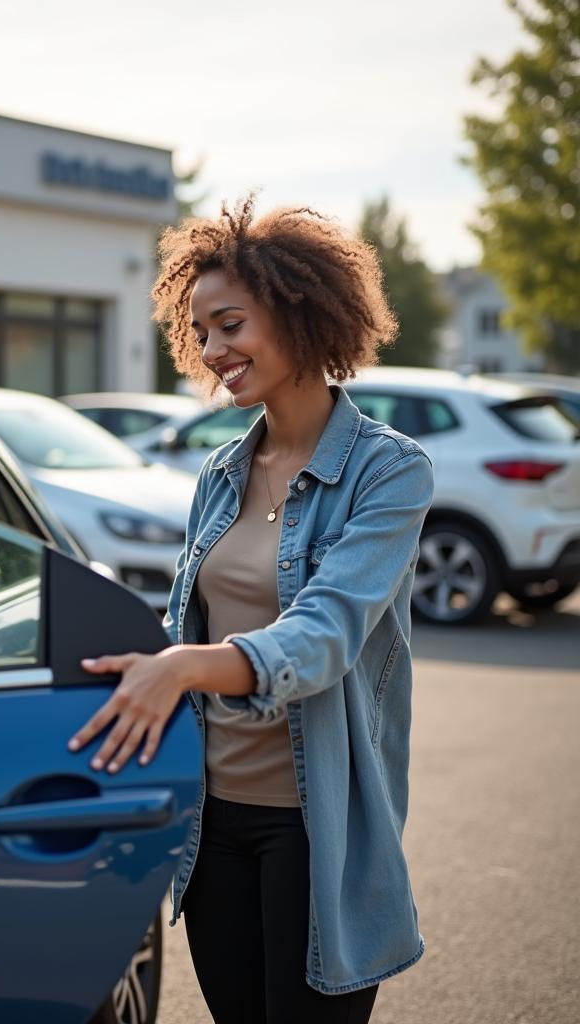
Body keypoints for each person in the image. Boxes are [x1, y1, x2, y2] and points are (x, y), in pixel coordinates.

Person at [68, 195, 433, 1023]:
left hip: (318, 831)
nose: (212, 350)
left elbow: (327, 631)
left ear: (298, 311)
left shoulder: (390, 472)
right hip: (212, 822)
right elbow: (181, 627)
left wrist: (186, 667)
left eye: (229, 324)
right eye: (199, 332)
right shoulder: (221, 473)